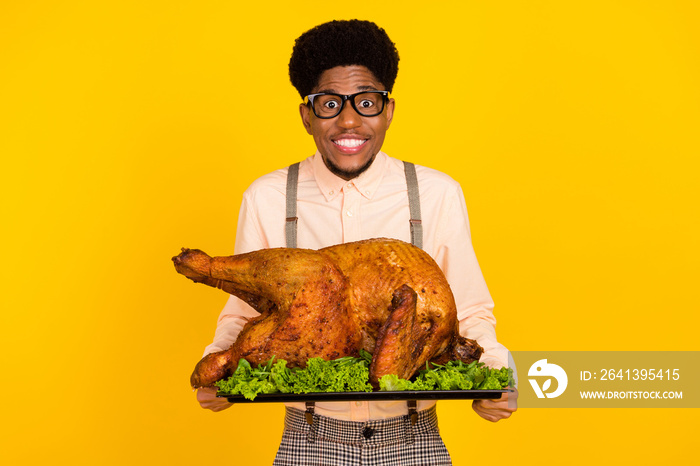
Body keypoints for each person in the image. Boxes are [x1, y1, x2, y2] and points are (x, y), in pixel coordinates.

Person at [196, 19, 517, 465]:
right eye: (329, 103)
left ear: (388, 110)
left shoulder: (436, 192)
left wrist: (497, 378)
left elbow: (472, 309)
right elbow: (243, 310)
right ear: (306, 114)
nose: (349, 121)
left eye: (366, 102)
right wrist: (219, 365)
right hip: (308, 442)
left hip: (413, 441)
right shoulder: (268, 197)